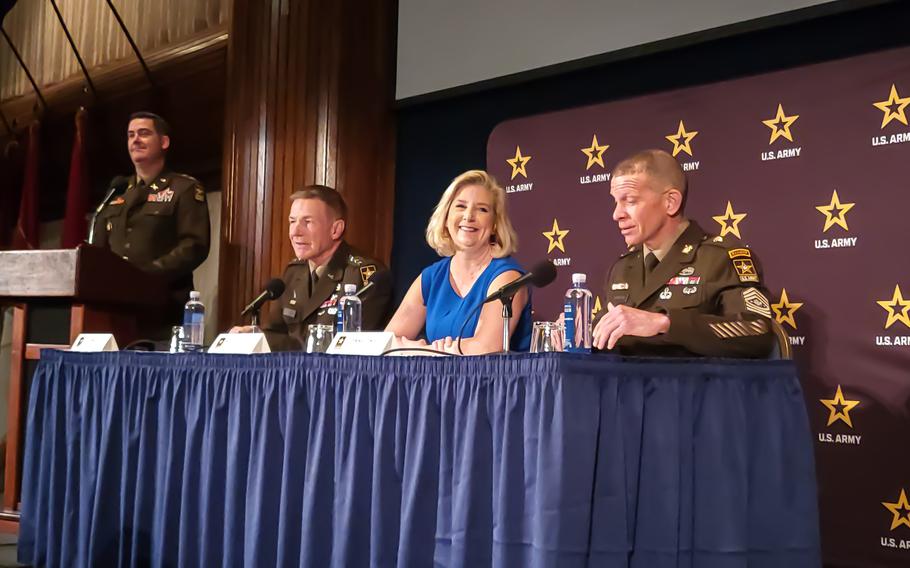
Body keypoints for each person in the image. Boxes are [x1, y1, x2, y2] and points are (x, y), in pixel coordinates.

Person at [593, 149, 775, 357]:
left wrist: (666, 323)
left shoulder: (722, 257)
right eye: (616, 201)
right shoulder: (622, 267)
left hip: (697, 388)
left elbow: (756, 331)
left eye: (630, 201)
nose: (617, 214)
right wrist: (579, 332)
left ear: (671, 202)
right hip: (628, 388)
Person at [386, 170, 532, 354]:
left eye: (482, 209)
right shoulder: (431, 278)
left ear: (495, 224)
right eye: (461, 206)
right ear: (446, 217)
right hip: (436, 381)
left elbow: (487, 347)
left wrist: (422, 350)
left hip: (492, 382)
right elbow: (389, 342)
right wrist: (424, 349)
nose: (468, 216)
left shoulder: (507, 277)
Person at [232, 185, 392, 351]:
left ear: (336, 229)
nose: (295, 232)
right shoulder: (294, 272)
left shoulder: (366, 276)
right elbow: (276, 333)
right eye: (292, 221)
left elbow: (350, 348)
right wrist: (256, 336)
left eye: (307, 222)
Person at [92, 112, 210, 333]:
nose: (135, 140)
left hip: (162, 307)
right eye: (130, 135)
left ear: (164, 142)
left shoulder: (183, 188)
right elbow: (98, 250)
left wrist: (145, 275)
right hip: (113, 308)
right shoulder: (117, 191)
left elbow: (194, 245)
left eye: (144, 134)